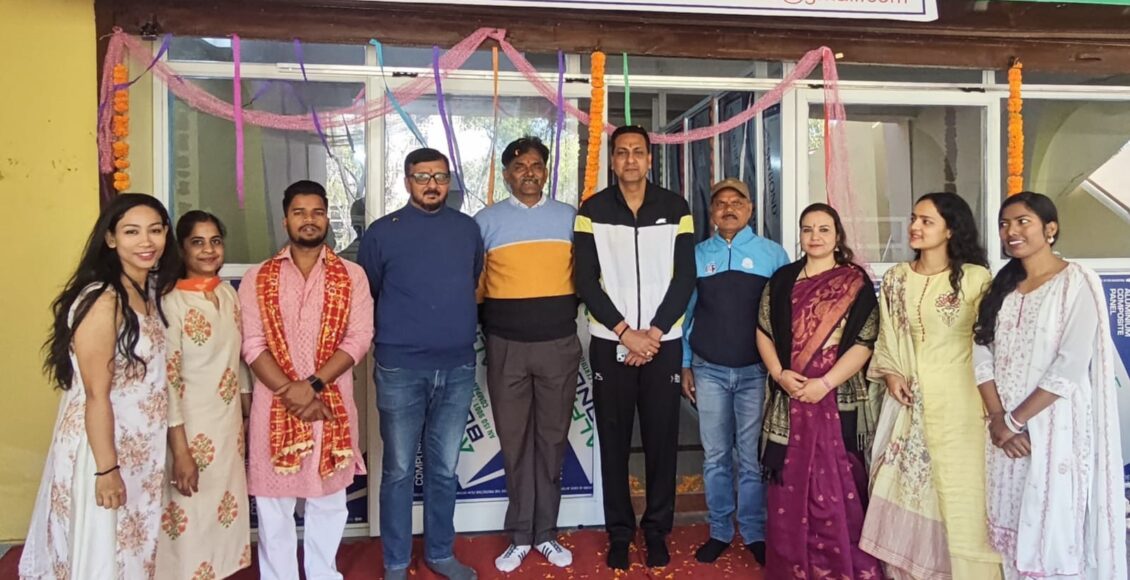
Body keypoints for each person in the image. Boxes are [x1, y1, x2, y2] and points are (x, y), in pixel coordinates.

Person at [21, 193, 179, 579]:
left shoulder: (147, 293)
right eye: (131, 232)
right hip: (103, 448)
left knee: (133, 550)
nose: (146, 242)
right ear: (110, 238)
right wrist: (106, 470)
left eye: (155, 230)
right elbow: (96, 394)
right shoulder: (102, 300)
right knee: (104, 552)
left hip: (140, 446)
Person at [972, 192, 1125, 580]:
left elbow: (1069, 366)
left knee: (1053, 529)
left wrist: (1014, 422)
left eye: (1023, 221)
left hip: (1055, 427)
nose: (1011, 231)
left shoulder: (1077, 282)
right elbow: (981, 353)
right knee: (1013, 534)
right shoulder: (1002, 286)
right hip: (1004, 434)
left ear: (1050, 229)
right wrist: (997, 419)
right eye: (1005, 224)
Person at [574, 125, 696, 569]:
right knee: (614, 442)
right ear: (612, 160)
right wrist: (627, 333)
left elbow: (685, 277)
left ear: (649, 159)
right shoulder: (592, 210)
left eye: (638, 152)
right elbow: (585, 280)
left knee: (663, 440)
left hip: (663, 343)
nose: (630, 159)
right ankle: (620, 533)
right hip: (612, 343)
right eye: (622, 152)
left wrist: (654, 334)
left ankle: (658, 530)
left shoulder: (676, 207)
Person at [358, 148, 483, 580]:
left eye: (440, 177)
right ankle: (395, 561)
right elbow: (370, 291)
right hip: (401, 369)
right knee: (397, 470)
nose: (432, 184)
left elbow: (471, 281)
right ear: (407, 180)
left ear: (450, 182)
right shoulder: (382, 233)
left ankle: (440, 553)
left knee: (444, 469)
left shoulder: (467, 229)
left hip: (457, 367)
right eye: (422, 176)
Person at [239, 180, 374, 580]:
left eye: (317, 212)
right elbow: (252, 343)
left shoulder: (352, 275)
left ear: (327, 218)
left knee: (328, 501)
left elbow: (359, 338)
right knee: (273, 505)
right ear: (286, 220)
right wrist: (289, 390)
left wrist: (311, 386)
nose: (309, 220)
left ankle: (322, 573)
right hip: (273, 406)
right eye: (299, 212)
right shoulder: (257, 277)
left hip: (329, 403)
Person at [861, 192, 1000, 579]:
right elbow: (888, 337)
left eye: (926, 221)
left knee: (962, 489)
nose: (914, 227)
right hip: (909, 400)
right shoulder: (896, 278)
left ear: (950, 230)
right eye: (914, 219)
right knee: (905, 485)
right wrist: (891, 374)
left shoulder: (975, 278)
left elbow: (989, 343)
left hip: (962, 402)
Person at [756, 203, 883, 579]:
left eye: (824, 229)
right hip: (790, 394)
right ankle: (791, 564)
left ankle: (839, 563)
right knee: (789, 480)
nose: (815, 237)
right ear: (800, 235)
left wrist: (825, 383)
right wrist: (779, 374)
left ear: (837, 236)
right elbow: (763, 331)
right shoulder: (781, 280)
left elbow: (865, 341)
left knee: (838, 480)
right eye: (808, 229)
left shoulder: (854, 282)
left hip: (834, 395)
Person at [474, 137, 581, 573]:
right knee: (515, 443)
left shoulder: (570, 218)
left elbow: (586, 278)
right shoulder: (485, 221)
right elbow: (476, 286)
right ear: (506, 175)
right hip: (506, 348)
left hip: (558, 345)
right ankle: (520, 535)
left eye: (536, 165)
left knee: (552, 441)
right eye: (519, 167)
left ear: (546, 171)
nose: (529, 173)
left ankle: (546, 533)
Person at [680, 178, 788, 566]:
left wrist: (780, 369)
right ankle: (720, 530)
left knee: (751, 457)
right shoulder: (697, 255)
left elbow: (783, 316)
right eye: (720, 203)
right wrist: (686, 363)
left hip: (755, 372)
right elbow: (686, 314)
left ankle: (755, 531)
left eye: (737, 202)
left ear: (750, 209)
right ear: (711, 212)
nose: (728, 208)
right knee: (715, 456)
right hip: (708, 370)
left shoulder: (773, 255)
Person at [156, 211, 252, 579]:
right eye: (198, 242)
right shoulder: (170, 303)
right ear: (181, 249)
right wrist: (180, 451)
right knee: (189, 517)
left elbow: (238, 358)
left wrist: (247, 407)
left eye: (215, 241)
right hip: (189, 430)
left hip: (228, 429)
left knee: (222, 515)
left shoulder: (226, 293)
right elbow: (168, 380)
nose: (209, 250)